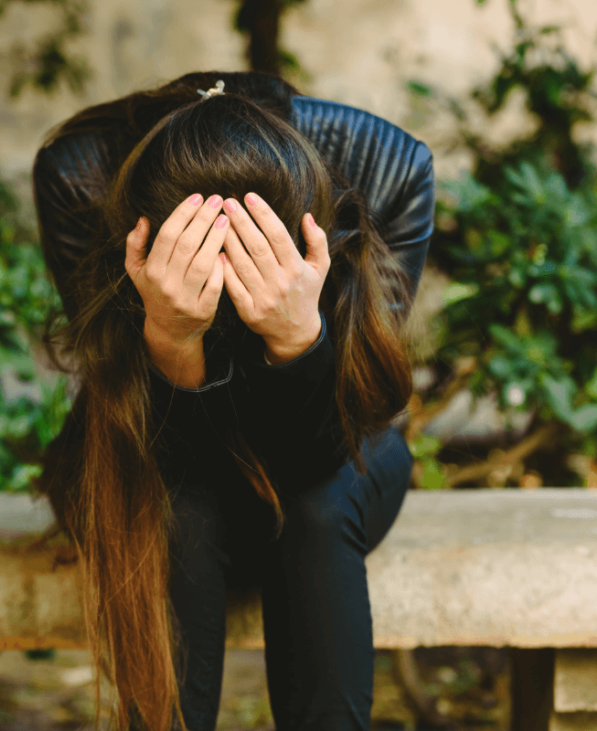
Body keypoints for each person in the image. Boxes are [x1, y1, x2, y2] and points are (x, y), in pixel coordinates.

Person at [31, 71, 435, 731]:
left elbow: (347, 433)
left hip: (339, 445)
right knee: (177, 511)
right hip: (144, 452)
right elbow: (138, 435)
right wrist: (170, 341)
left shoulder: (386, 167)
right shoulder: (81, 171)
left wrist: (297, 337)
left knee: (320, 504)